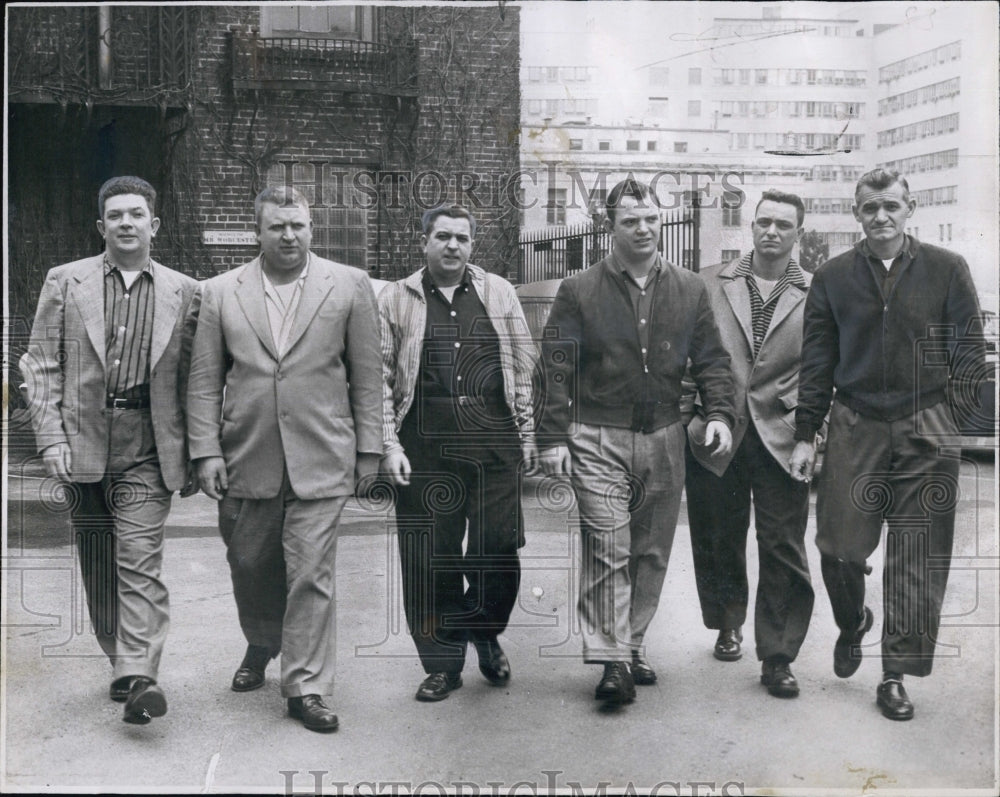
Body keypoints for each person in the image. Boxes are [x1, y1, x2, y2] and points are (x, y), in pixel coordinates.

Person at [789, 168, 987, 721]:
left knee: (915, 556)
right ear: (856, 213)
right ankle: (853, 622)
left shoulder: (947, 270)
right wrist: (806, 433)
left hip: (927, 426)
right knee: (838, 547)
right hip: (855, 423)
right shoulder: (831, 277)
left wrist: (958, 422)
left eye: (891, 207)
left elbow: (969, 353)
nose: (881, 217)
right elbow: (816, 363)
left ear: (910, 207)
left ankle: (895, 674)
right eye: (870, 208)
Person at [186, 186, 382, 732]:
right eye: (277, 227)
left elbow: (368, 378)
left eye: (298, 226)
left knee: (310, 575)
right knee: (250, 564)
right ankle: (263, 640)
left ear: (312, 229)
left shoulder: (348, 286)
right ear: (259, 231)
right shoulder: (220, 292)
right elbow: (203, 382)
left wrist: (370, 451)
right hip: (247, 457)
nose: (289, 236)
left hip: (323, 456)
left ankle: (307, 687)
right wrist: (205, 451)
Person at [538, 179, 735, 704]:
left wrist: (719, 413)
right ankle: (612, 661)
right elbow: (556, 369)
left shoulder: (691, 288)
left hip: (665, 434)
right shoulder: (578, 289)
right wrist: (553, 437)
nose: (643, 229)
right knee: (607, 546)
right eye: (630, 221)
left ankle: (632, 644)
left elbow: (714, 359)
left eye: (650, 219)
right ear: (611, 228)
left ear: (659, 220)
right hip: (596, 436)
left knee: (651, 550)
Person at [20, 176, 198, 725]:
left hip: (149, 443)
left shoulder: (186, 292)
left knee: (139, 562)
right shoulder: (65, 281)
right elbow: (41, 365)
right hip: (81, 443)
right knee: (98, 562)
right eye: (116, 215)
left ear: (154, 225)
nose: (126, 222)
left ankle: (138, 673)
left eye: (136, 214)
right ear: (101, 226)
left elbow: (200, 377)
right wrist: (49, 437)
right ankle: (121, 661)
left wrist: (199, 452)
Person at [379, 205, 537, 702]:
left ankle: (485, 631)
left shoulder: (498, 292)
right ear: (424, 241)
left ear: (473, 245)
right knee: (430, 557)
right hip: (425, 448)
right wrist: (389, 444)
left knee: (497, 552)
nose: (452, 246)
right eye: (442, 236)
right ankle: (443, 664)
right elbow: (377, 378)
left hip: (494, 443)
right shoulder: (397, 298)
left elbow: (521, 364)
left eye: (462, 238)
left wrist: (527, 433)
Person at [684, 190, 816, 698]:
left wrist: (809, 431)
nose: (772, 232)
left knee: (782, 545)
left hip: (782, 433)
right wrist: (689, 418)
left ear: (798, 234)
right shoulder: (710, 281)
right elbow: (687, 351)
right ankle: (726, 622)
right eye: (764, 222)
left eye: (784, 225)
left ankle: (778, 656)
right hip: (718, 427)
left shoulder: (815, 290)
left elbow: (823, 366)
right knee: (718, 534)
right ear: (751, 226)